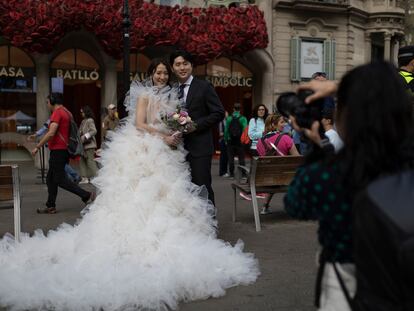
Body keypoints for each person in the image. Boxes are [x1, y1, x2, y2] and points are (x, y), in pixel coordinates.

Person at [0, 58, 259, 311]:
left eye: (164, 73)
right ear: (150, 74)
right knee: (139, 191)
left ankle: (174, 235)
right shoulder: (145, 95)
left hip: (167, 150)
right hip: (147, 146)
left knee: (167, 193)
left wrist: (178, 126)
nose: (162, 77)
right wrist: (164, 135)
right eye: (158, 73)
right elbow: (140, 124)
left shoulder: (171, 96)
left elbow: (177, 119)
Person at [284, 61, 414, 311]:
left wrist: (315, 149)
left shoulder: (328, 174)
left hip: (344, 280)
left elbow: (296, 205)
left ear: (345, 114)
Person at [170, 50, 225, 206]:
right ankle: (191, 227)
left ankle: (209, 227)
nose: (182, 68)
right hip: (177, 150)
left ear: (192, 66)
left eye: (185, 64)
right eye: (178, 64)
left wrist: (196, 126)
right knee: (182, 190)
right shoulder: (172, 90)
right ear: (172, 68)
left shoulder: (204, 86)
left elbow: (219, 112)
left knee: (202, 188)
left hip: (200, 148)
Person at [30, 93, 95, 214]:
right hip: (63, 150)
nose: (47, 104)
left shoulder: (57, 113)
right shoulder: (67, 112)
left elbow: (51, 133)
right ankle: (50, 206)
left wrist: (37, 147)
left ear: (53, 101)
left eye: (47, 102)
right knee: (50, 179)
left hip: (58, 151)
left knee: (59, 179)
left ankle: (86, 195)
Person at [256, 114, 299, 214]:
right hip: (284, 177)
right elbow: (297, 159)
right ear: (273, 125)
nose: (284, 124)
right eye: (281, 122)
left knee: (274, 174)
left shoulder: (259, 142)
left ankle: (265, 207)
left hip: (266, 179)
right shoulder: (286, 138)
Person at [28, 119, 81, 183]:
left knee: (60, 163)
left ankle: (74, 176)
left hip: (58, 145)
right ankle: (70, 178)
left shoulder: (55, 118)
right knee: (60, 163)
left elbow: (44, 129)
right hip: (62, 144)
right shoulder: (63, 118)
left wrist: (36, 135)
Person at [224, 103, 247, 179]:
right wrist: (244, 140)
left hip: (231, 141)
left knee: (231, 158)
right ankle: (243, 175)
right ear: (240, 109)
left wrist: (226, 139)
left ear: (233, 109)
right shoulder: (243, 118)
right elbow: (245, 130)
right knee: (241, 158)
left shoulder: (229, 118)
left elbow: (226, 130)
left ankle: (231, 174)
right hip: (239, 141)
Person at [78, 105, 99, 184]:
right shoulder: (83, 121)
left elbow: (94, 131)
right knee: (82, 161)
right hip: (83, 145)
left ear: (86, 112)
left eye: (82, 112)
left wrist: (84, 136)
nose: (81, 114)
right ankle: (84, 178)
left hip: (89, 145)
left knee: (90, 161)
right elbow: (80, 130)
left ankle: (97, 177)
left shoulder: (90, 120)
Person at [218, 110, 229, 177]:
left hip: (227, 141)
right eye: (226, 114)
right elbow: (220, 133)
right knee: (223, 157)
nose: (227, 115)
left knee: (226, 157)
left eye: (227, 114)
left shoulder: (228, 121)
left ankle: (225, 171)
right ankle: (222, 172)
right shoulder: (221, 122)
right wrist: (226, 134)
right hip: (222, 141)